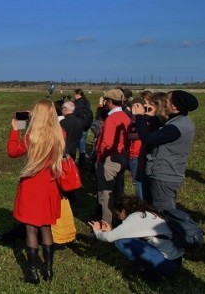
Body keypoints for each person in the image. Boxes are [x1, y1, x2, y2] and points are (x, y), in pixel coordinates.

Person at [7, 99, 65, 284]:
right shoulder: (59, 134)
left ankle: (32, 272)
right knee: (46, 227)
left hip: (32, 185)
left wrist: (16, 129)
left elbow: (12, 152)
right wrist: (34, 118)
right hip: (50, 185)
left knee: (31, 229)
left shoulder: (31, 136)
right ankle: (48, 269)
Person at [132, 90, 198, 212]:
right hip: (166, 173)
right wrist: (152, 118)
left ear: (174, 106)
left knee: (163, 213)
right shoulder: (180, 121)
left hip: (165, 176)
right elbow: (158, 133)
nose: (164, 104)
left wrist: (140, 116)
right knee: (156, 209)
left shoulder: (175, 127)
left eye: (167, 101)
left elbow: (148, 138)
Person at [88, 196, 183, 277]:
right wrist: (110, 231)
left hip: (168, 264)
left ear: (123, 211)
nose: (118, 218)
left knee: (121, 242)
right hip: (176, 259)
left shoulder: (134, 219)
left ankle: (150, 272)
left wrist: (97, 231)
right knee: (126, 239)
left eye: (118, 214)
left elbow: (109, 238)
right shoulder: (145, 214)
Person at [94, 89, 130, 226]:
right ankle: (121, 221)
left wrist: (100, 158)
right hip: (121, 157)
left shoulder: (111, 119)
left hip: (109, 159)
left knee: (105, 195)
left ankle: (105, 225)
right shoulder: (126, 117)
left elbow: (106, 143)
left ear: (109, 102)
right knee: (118, 193)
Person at [73, 89, 93, 168]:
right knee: (82, 145)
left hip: (78, 126)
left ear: (77, 95)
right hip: (86, 126)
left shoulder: (76, 104)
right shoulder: (87, 102)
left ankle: (74, 163)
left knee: (74, 144)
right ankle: (82, 163)